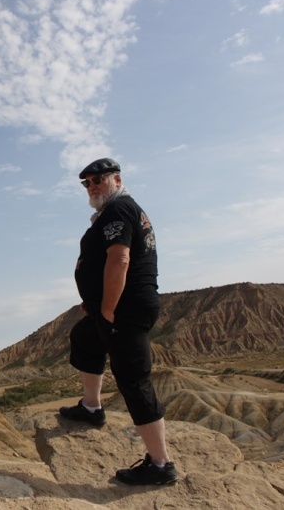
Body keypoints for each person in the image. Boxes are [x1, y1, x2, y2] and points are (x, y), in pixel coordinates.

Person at [59, 157, 178, 486]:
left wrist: (108, 307)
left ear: (117, 179)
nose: (93, 186)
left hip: (124, 310)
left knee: (133, 380)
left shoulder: (118, 210)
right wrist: (95, 304)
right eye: (87, 183)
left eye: (99, 179)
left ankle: (160, 464)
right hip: (113, 308)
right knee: (85, 337)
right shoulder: (117, 211)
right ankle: (92, 407)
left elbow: (119, 258)